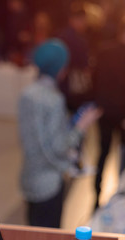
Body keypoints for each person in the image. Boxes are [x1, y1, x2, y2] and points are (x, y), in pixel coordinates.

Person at [18, 39, 102, 228]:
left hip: (29, 177)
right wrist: (81, 126)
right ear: (60, 67)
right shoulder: (53, 100)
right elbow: (58, 146)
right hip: (49, 183)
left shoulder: (26, 94)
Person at [92, 17, 125, 210]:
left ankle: (96, 193)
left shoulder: (103, 51)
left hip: (104, 111)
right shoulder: (107, 51)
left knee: (102, 153)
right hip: (120, 114)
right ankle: (119, 196)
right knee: (121, 154)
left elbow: (94, 79)